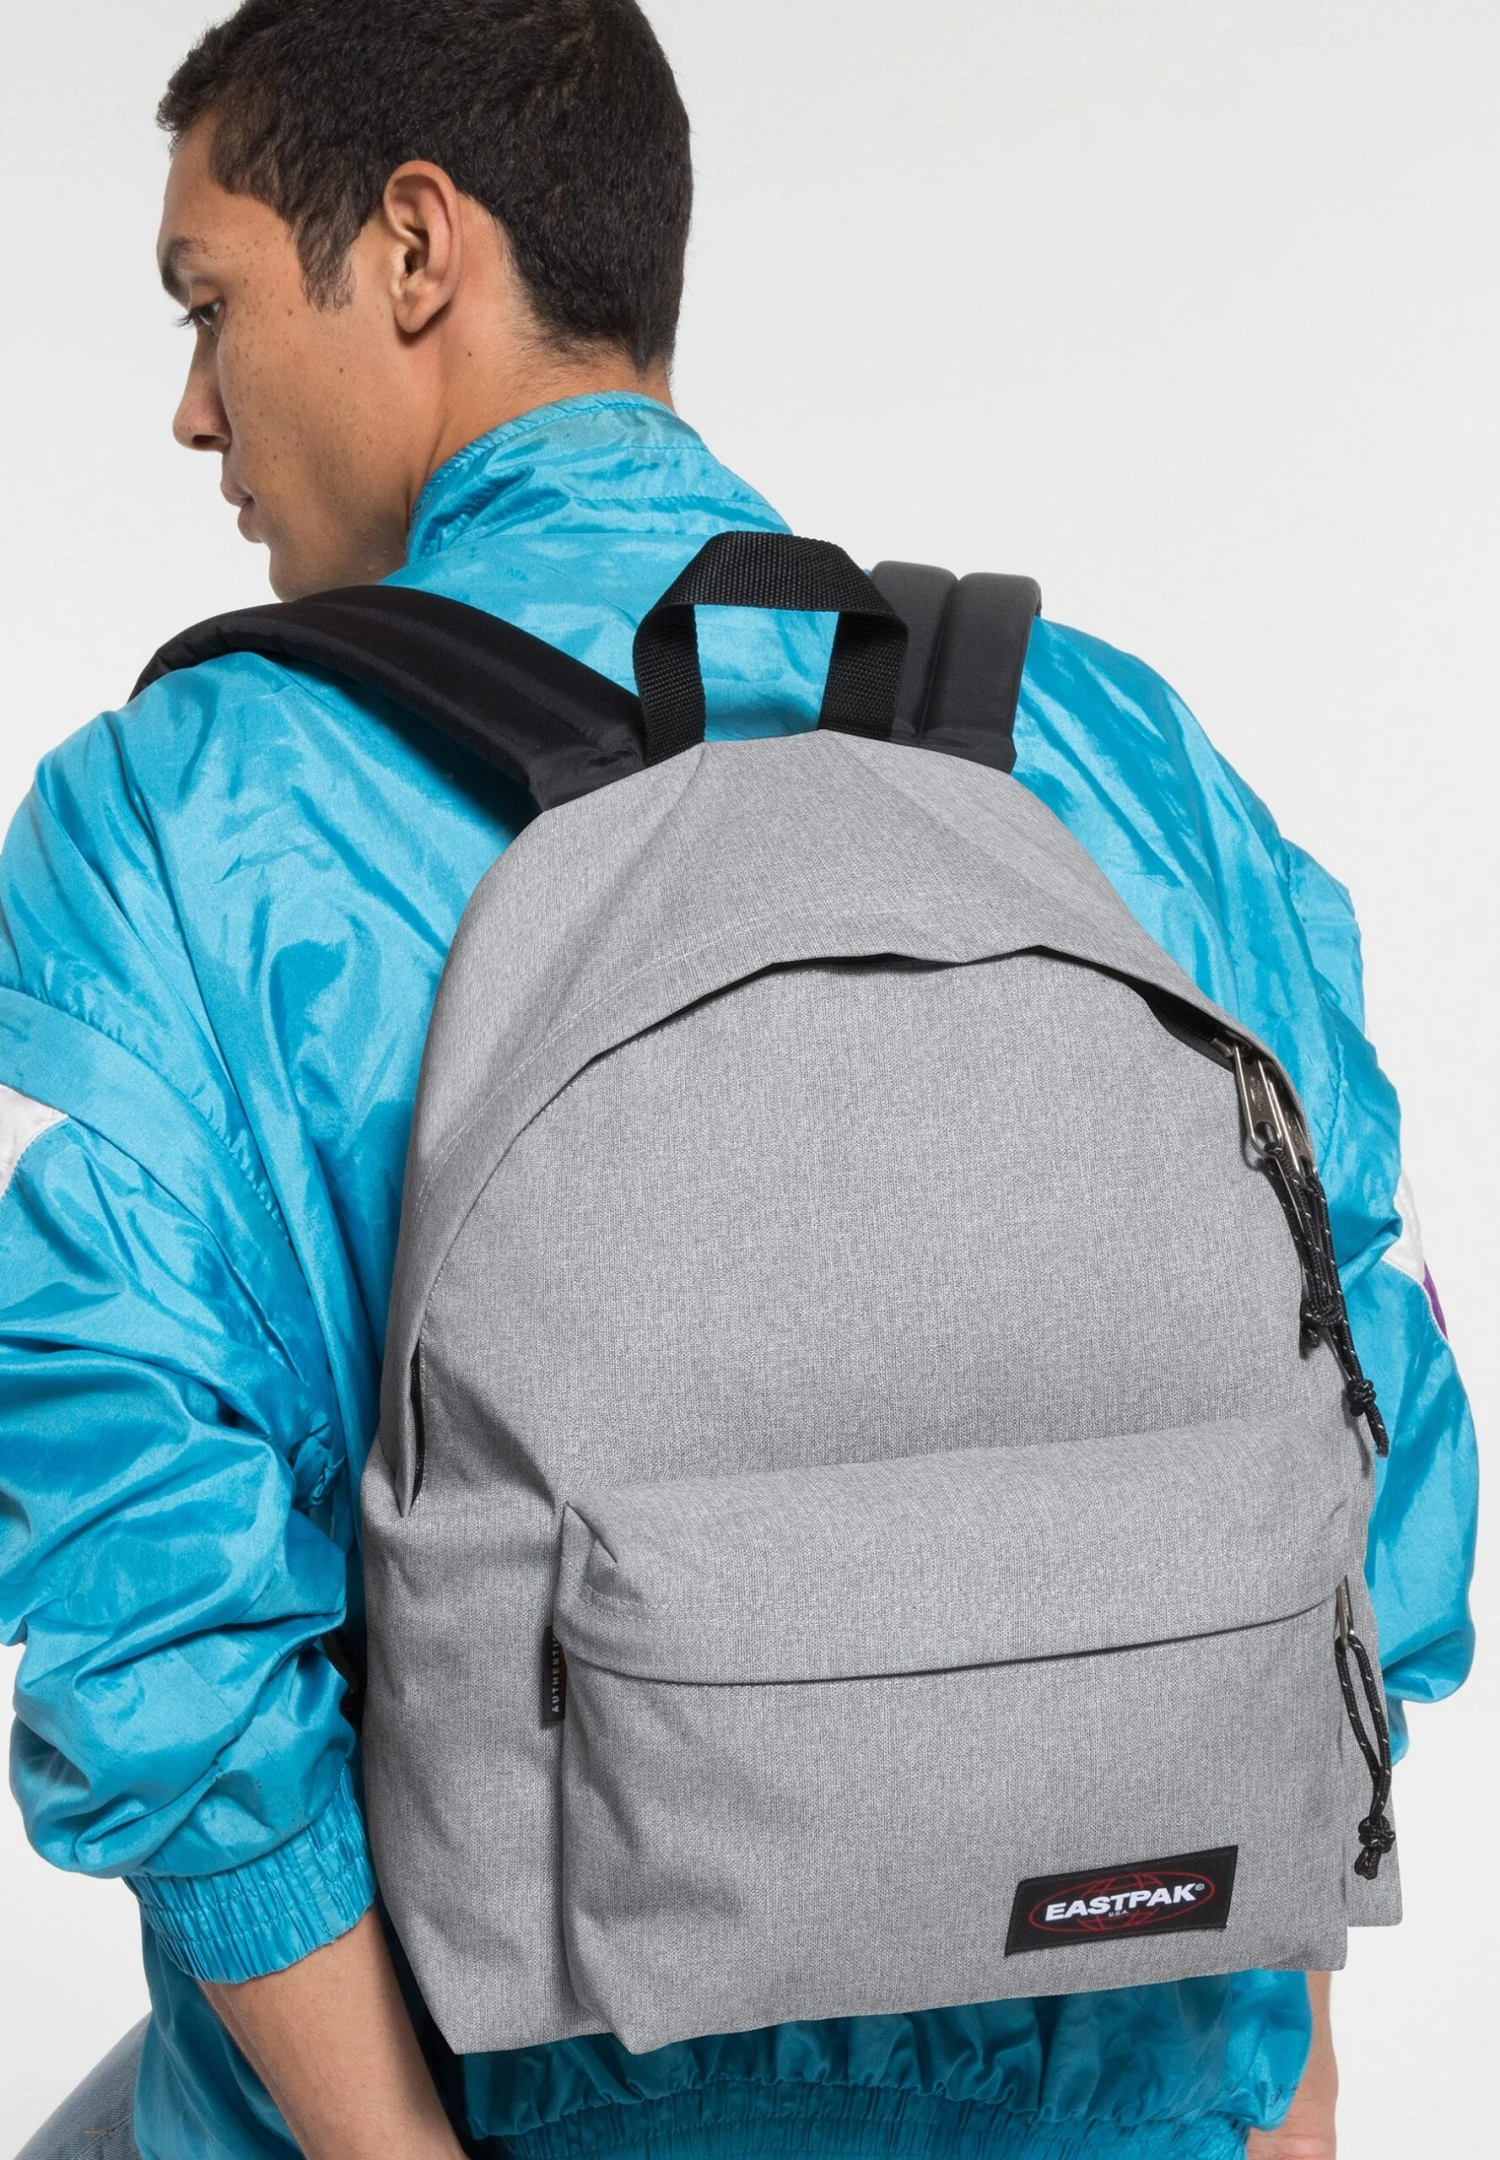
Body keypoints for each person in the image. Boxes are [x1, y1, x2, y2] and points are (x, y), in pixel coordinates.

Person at [1, 4, 1476, 2158]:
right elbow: (1370, 1460)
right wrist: (1279, 2086)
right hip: (1129, 2090)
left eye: (208, 303)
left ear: (414, 248)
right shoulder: (1115, 753)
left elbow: (143, 1598)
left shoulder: (180, 816)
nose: (193, 407)